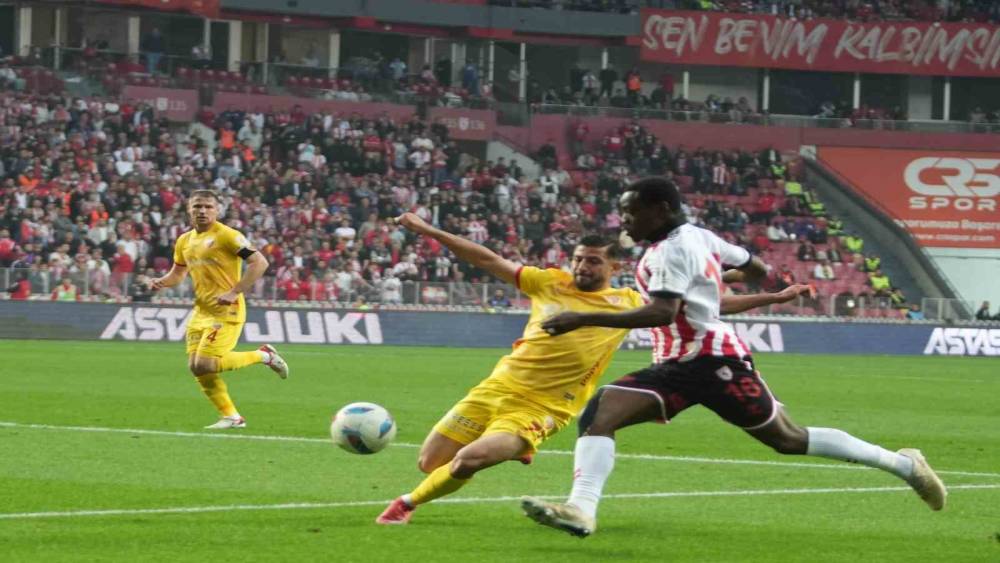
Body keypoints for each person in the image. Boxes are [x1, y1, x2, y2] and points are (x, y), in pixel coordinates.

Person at [521, 177, 947, 538]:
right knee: (600, 414)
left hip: (713, 362)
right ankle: (581, 510)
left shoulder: (670, 251)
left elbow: (662, 312)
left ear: (661, 209)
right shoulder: (701, 237)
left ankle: (904, 465)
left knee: (788, 439)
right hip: (677, 365)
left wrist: (582, 317)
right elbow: (755, 268)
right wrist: (708, 282)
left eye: (632, 212)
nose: (625, 221)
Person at [375, 212, 811, 526]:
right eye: (579, 259)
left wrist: (772, 299)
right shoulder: (548, 282)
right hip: (494, 388)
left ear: (614, 266)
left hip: (543, 407)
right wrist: (429, 231)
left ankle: (406, 505)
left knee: (470, 459)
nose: (583, 266)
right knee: (431, 461)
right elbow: (488, 260)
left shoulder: (629, 301)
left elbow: (710, 302)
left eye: (594, 261)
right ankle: (501, 452)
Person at [147, 190, 290, 429]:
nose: (202, 211)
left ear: (217, 210)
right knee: (196, 366)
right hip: (201, 310)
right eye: (197, 206)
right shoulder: (184, 240)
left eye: (208, 206)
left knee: (206, 363)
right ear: (189, 210)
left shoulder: (228, 236)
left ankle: (264, 356)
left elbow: (259, 262)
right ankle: (232, 417)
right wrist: (161, 281)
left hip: (227, 310)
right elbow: (178, 273)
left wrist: (234, 292)